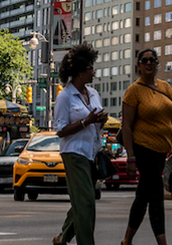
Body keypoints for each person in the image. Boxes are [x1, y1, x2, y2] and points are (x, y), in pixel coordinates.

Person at [122, 47, 172, 245]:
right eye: (144, 61)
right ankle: (162, 243)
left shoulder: (165, 88)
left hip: (161, 152)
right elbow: (126, 127)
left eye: (152, 59)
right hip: (144, 150)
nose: (149, 63)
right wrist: (131, 157)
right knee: (156, 196)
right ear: (138, 66)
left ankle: (127, 241)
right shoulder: (134, 91)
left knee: (143, 196)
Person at [52, 43, 107, 245]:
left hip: (92, 153)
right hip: (74, 153)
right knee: (86, 203)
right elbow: (60, 130)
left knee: (82, 201)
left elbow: (96, 119)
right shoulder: (65, 96)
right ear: (80, 71)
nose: (93, 71)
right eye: (90, 68)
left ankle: (63, 237)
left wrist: (102, 119)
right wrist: (86, 121)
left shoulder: (93, 93)